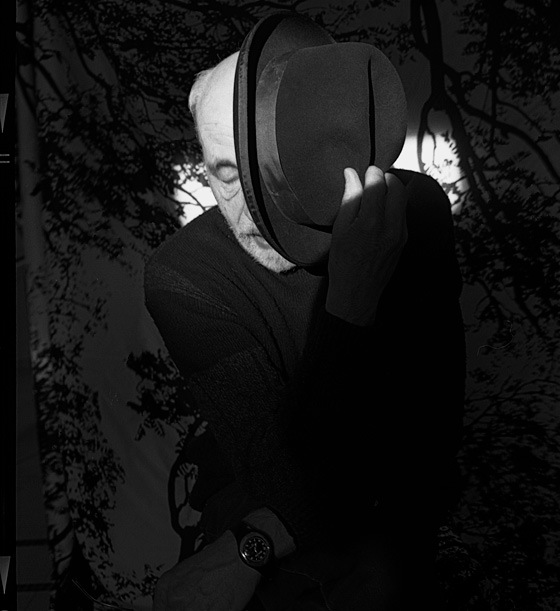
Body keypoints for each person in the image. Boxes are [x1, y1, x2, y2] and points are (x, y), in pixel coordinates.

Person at [144, 11, 465, 611]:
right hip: (260, 523)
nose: (252, 206)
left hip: (368, 539)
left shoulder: (412, 211)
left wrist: (250, 546)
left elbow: (427, 442)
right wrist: (349, 306)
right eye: (225, 174)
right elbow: (285, 481)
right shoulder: (183, 276)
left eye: (268, 165)